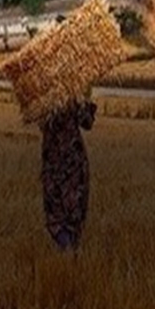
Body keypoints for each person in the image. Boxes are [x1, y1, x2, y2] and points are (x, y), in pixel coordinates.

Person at [38, 97, 97, 251]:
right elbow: (87, 121)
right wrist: (85, 98)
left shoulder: (40, 89)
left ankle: (66, 253)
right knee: (73, 210)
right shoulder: (73, 88)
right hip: (72, 160)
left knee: (56, 210)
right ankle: (68, 253)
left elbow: (38, 120)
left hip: (53, 159)